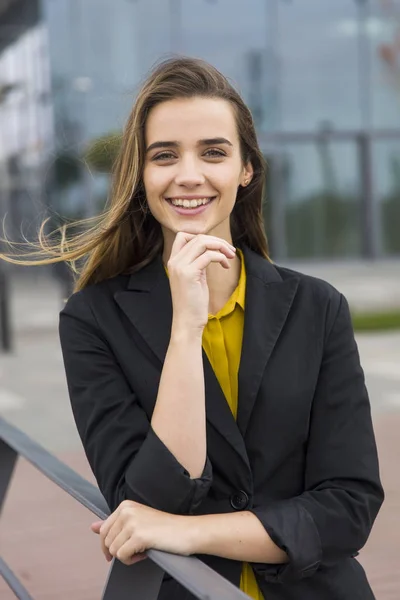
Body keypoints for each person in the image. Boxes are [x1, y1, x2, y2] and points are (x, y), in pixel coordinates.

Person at [1, 57, 384, 600]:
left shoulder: (318, 307)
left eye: (213, 152)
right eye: (164, 156)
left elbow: (348, 507)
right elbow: (145, 497)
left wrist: (188, 532)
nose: (188, 174)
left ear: (246, 168)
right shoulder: (91, 320)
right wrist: (186, 325)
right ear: (142, 175)